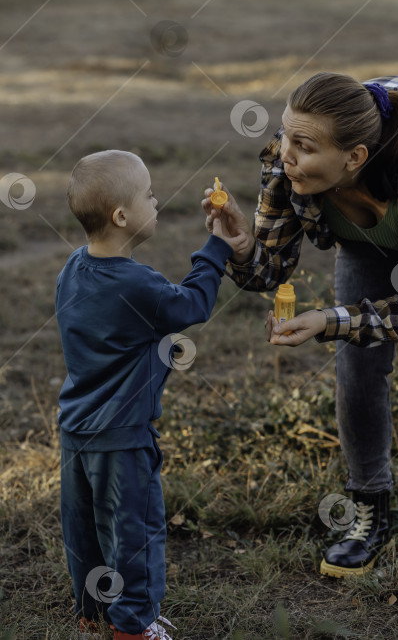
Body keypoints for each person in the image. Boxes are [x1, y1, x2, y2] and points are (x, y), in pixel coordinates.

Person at [202, 72, 398, 578]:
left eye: (303, 145)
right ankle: (368, 508)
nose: (286, 153)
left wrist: (327, 319)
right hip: (370, 238)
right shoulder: (287, 166)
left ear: (355, 158)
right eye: (285, 136)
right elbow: (269, 268)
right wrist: (239, 245)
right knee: (358, 364)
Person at [56, 150, 249, 639]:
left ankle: (94, 613)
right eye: (148, 194)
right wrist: (217, 248)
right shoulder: (137, 283)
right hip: (122, 437)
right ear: (122, 217)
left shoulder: (72, 270)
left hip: (75, 430)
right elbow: (191, 305)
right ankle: (134, 627)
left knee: (85, 534)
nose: (156, 200)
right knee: (135, 534)